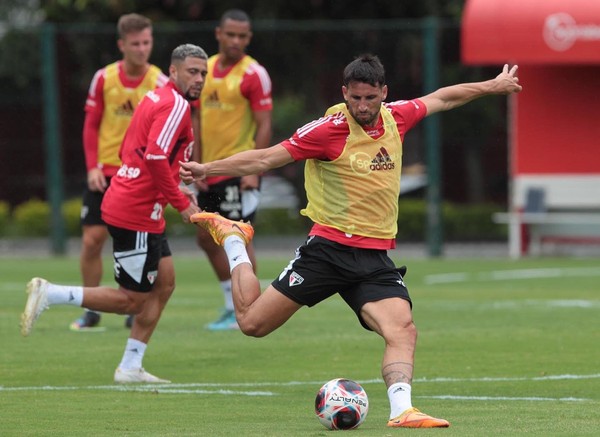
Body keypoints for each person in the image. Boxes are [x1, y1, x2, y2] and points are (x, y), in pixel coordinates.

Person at [180, 56, 522, 427]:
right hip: (327, 252)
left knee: (402, 329)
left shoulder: (398, 116)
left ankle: (401, 410)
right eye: (355, 98)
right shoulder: (328, 131)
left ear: (383, 93)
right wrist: (208, 168)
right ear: (344, 93)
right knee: (251, 323)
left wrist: (493, 86)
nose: (362, 106)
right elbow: (266, 158)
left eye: (370, 98)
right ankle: (233, 239)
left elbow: (443, 98)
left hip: (374, 257)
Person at [21, 44, 207, 384]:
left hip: (141, 206)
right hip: (134, 211)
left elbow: (133, 150)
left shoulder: (155, 97)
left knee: (164, 283)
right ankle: (51, 293)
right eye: (193, 72)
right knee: (132, 300)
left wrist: (174, 183)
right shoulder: (175, 104)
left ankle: (130, 366)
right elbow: (153, 157)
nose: (199, 79)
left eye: (204, 73)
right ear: (174, 70)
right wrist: (182, 203)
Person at [74, 13, 168, 331]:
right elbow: (91, 124)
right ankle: (91, 310)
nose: (142, 49)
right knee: (92, 240)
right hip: (106, 172)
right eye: (136, 44)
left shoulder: (159, 82)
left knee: (144, 242)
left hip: (139, 175)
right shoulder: (104, 78)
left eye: (147, 42)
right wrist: (91, 167)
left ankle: (134, 301)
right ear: (122, 45)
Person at [192, 9, 272, 331]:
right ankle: (231, 304)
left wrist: (254, 170)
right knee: (205, 238)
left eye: (243, 36)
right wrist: (197, 164)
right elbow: (195, 119)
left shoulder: (254, 74)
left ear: (248, 38)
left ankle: (255, 308)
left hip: (238, 173)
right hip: (207, 171)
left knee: (239, 238)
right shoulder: (204, 69)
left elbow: (264, 124)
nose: (236, 41)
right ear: (218, 34)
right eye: (231, 35)